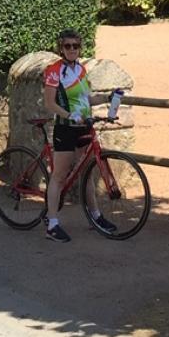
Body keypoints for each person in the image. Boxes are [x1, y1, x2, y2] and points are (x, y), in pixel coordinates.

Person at [40, 29, 118, 242]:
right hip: (66, 127)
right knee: (59, 176)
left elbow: (87, 99)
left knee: (87, 173)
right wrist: (69, 115)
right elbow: (49, 103)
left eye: (76, 46)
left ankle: (95, 216)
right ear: (61, 48)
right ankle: (52, 224)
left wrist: (107, 97)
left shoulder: (81, 70)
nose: (72, 49)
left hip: (84, 126)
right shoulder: (54, 71)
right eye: (68, 46)